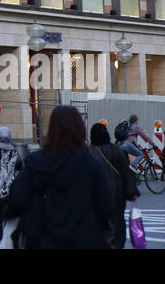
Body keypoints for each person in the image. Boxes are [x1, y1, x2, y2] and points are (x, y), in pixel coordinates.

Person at [8, 106, 110, 249]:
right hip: (85, 239)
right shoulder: (92, 164)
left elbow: (17, 198)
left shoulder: (35, 162)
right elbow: (107, 207)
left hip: (44, 239)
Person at [90, 122, 137, 249]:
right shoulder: (117, 151)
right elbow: (126, 172)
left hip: (95, 195)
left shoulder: (89, 152)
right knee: (117, 222)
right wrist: (132, 192)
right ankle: (116, 244)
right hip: (117, 193)